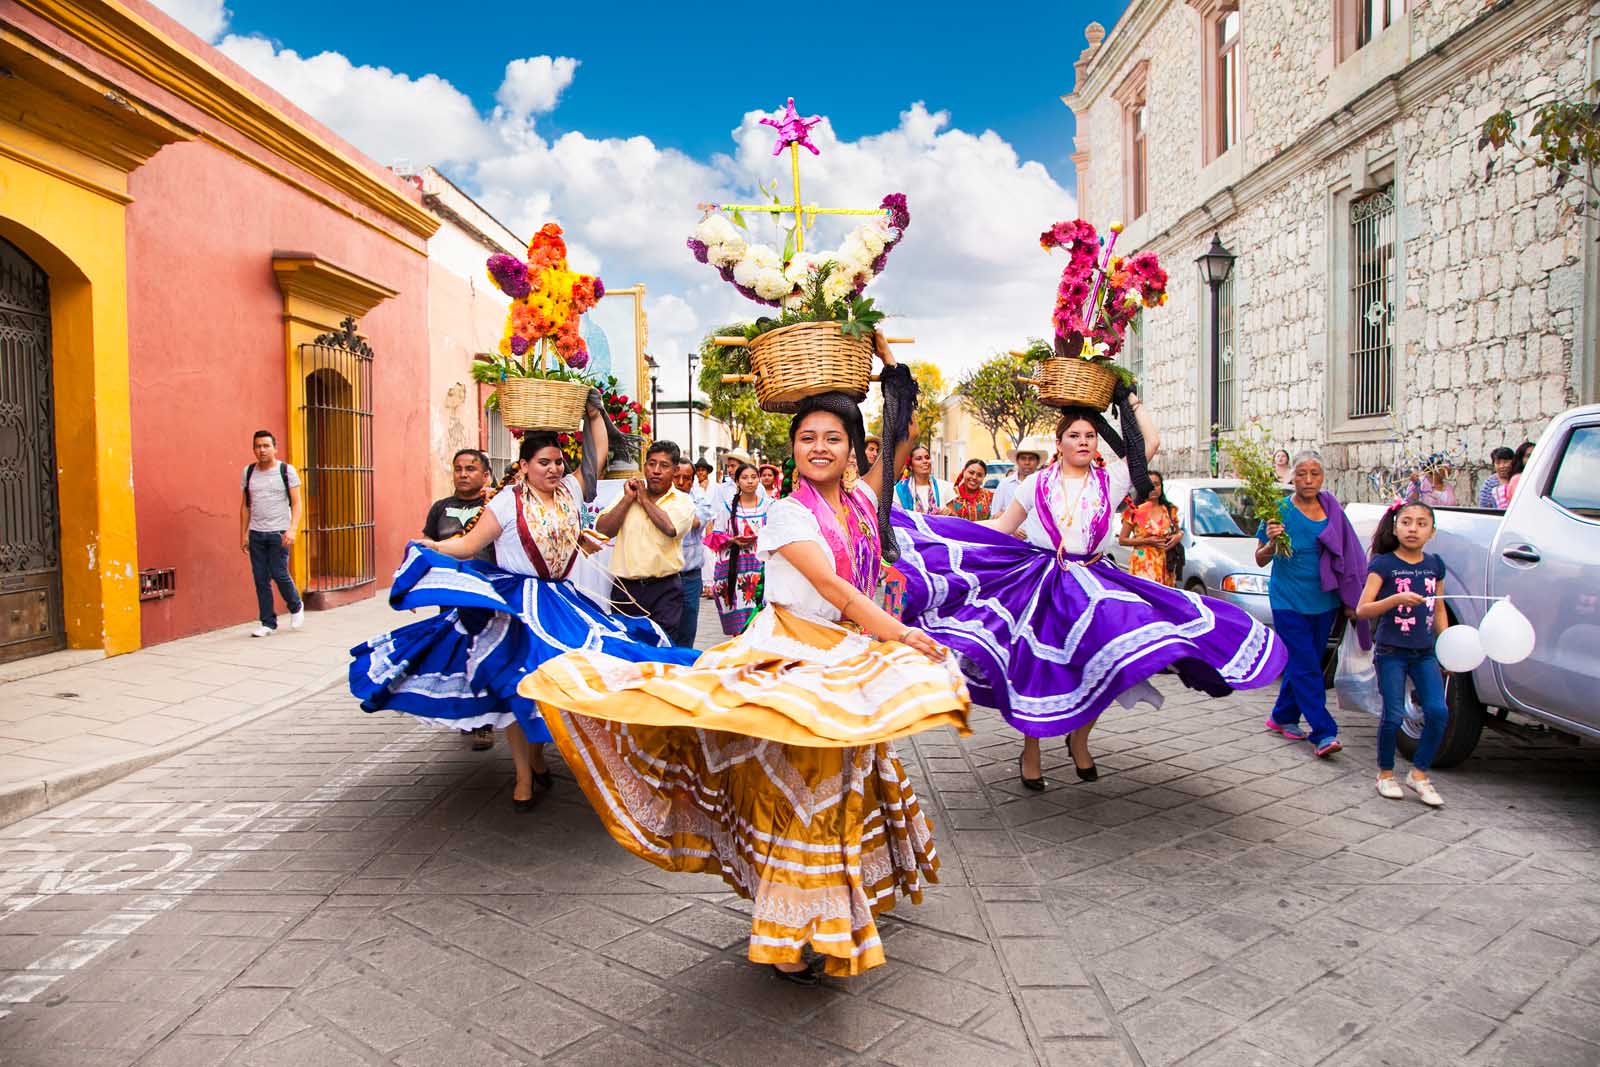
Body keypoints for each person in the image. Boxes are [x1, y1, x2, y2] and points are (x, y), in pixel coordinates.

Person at [520, 335, 970, 983]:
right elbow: (834, 588)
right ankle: (792, 925)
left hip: (844, 660)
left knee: (844, 784)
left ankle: (824, 909)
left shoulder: (866, 504)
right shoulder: (787, 513)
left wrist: (890, 367)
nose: (819, 447)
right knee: (799, 794)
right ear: (792, 448)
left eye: (833, 438)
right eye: (807, 436)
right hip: (787, 662)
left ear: (852, 451)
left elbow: (899, 442)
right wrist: (899, 633)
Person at [890, 398, 1285, 791]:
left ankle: (1079, 738)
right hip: (1042, 581)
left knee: (1107, 658)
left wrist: (1130, 399)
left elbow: (1150, 443)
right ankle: (1032, 751)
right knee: (1037, 667)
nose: (1083, 442)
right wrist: (935, 528)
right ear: (1059, 443)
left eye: (1090, 436)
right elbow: (1002, 526)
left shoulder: (1110, 479)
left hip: (1095, 579)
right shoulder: (1035, 484)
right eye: (1074, 436)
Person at [349, 404, 698, 812]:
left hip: (562, 601)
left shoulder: (569, 491)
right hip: (517, 605)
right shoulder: (505, 503)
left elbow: (596, 454)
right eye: (544, 463)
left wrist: (593, 414)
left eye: (558, 462)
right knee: (518, 681)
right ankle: (522, 777)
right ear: (525, 466)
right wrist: (436, 548)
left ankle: (539, 757)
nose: (553, 469)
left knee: (569, 677)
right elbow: (470, 544)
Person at [1256, 450, 1370, 759]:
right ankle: (1323, 732)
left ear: (1322, 477)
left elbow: (1348, 550)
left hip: (1324, 600)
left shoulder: (1331, 508)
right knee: (1306, 665)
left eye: (1314, 474)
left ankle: (1281, 716)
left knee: (1306, 661)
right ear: (1292, 476)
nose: (1308, 480)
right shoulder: (1279, 510)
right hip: (1288, 599)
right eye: (1302, 474)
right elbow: (1260, 558)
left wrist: (1351, 597)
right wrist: (1271, 542)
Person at [1357, 501, 1448, 807]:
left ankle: (1420, 774)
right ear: (1395, 528)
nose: (1413, 528)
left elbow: (1439, 608)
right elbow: (1362, 609)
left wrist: (1445, 643)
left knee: (1438, 712)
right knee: (1394, 714)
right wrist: (1394, 600)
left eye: (1422, 523)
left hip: (1424, 653)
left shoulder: (1435, 565)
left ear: (1432, 532)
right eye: (1406, 522)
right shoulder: (1382, 565)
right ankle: (1385, 773)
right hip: (1391, 652)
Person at [423, 447, 499, 750]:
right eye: (458, 469)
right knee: (458, 657)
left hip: (486, 595)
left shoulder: (495, 504)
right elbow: (429, 548)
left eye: (470, 468)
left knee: (483, 655)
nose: (463, 474)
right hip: (451, 595)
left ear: (485, 474)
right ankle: (468, 714)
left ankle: (483, 722)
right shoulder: (440, 508)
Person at [596, 440, 695, 636]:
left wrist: (643, 499)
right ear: (644, 467)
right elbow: (603, 529)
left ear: (674, 471)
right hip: (625, 589)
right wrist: (627, 500)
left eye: (664, 466)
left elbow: (670, 527)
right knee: (626, 648)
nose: (656, 470)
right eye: (651, 464)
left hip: (664, 589)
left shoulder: (683, 502)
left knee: (661, 647)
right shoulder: (627, 496)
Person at [239, 430, 305, 638]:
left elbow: (297, 503)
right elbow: (245, 506)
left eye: (266, 446)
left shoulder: (286, 471)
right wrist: (243, 534)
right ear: (253, 449)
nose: (262, 450)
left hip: (279, 532)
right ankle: (268, 623)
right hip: (257, 533)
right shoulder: (248, 472)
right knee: (260, 578)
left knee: (279, 572)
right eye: (258, 446)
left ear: (275, 448)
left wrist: (292, 528)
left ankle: (295, 606)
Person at [706, 462, 772, 635]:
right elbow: (715, 537)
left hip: (762, 570)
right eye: (744, 477)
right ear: (737, 482)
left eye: (753, 477)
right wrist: (732, 540)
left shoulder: (769, 506)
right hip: (736, 570)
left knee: (762, 623)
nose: (750, 481)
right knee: (741, 629)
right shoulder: (727, 507)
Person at [673, 458, 714, 648]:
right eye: (676, 477)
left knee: (686, 631)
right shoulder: (659, 498)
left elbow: (696, 522)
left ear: (693, 480)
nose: (681, 483)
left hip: (689, 576)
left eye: (686, 478)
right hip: (664, 576)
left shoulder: (700, 499)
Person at [1118, 470, 1181, 586]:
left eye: (1157, 484)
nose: (1153, 488)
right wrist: (1147, 541)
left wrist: (1178, 536)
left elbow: (1178, 531)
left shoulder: (1169, 509)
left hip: (1165, 564)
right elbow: (1122, 540)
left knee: (1163, 601)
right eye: (1149, 484)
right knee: (1146, 599)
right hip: (1143, 563)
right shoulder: (1134, 511)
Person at [993, 437, 1046, 517]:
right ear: (1017, 461)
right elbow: (994, 514)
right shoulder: (1005, 485)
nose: (1027, 462)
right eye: (1023, 458)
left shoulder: (1043, 486)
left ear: (1037, 462)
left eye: (1031, 459)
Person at [894, 445, 955, 513]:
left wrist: (948, 514)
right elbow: (898, 518)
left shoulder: (944, 487)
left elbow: (954, 520)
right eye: (919, 459)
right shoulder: (899, 490)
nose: (925, 461)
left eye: (927, 458)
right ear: (911, 465)